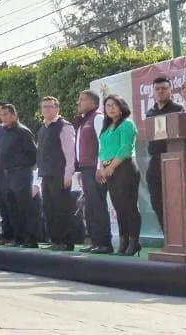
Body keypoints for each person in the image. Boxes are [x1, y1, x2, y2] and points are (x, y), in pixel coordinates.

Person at [97, 95, 141, 256]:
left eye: (114, 105)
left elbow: (125, 148)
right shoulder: (107, 126)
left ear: (122, 106)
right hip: (109, 169)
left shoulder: (127, 124)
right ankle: (123, 241)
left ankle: (134, 241)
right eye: (108, 105)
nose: (111, 108)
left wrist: (112, 166)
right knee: (118, 207)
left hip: (124, 168)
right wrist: (102, 167)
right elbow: (102, 149)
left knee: (129, 207)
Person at [0, 104, 38, 248]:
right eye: (1, 115)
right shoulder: (4, 132)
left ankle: (30, 239)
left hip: (21, 173)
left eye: (6, 114)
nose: (3, 117)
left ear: (14, 115)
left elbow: (33, 154)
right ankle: (17, 238)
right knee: (12, 208)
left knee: (25, 207)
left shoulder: (23, 132)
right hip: (7, 175)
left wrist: (22, 167)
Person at [70, 90, 109, 253]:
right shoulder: (82, 121)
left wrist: (101, 167)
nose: (79, 103)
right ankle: (94, 241)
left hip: (95, 168)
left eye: (82, 100)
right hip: (85, 169)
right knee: (90, 206)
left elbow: (103, 143)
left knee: (98, 205)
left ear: (93, 103)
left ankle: (104, 243)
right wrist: (78, 170)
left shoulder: (98, 117)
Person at [36, 97, 78, 251]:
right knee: (49, 208)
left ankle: (66, 242)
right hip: (46, 175)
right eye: (44, 107)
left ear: (57, 108)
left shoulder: (64, 126)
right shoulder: (43, 129)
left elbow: (70, 153)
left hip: (60, 174)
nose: (46, 109)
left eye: (49, 106)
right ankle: (55, 240)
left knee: (62, 209)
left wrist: (68, 175)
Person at [143, 76, 181, 238]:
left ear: (170, 90)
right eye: (157, 89)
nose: (160, 92)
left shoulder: (178, 109)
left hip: (174, 158)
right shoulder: (150, 112)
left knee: (175, 200)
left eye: (164, 89)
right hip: (155, 159)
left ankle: (179, 237)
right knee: (156, 200)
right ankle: (168, 237)